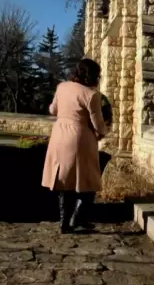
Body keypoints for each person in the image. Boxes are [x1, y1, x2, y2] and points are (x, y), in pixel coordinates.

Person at [42, 58, 108, 234]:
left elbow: (52, 110)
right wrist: (103, 132)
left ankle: (64, 221)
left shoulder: (62, 87)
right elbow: (97, 123)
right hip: (79, 137)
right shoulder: (91, 95)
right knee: (88, 178)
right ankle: (78, 217)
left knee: (64, 180)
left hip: (59, 134)